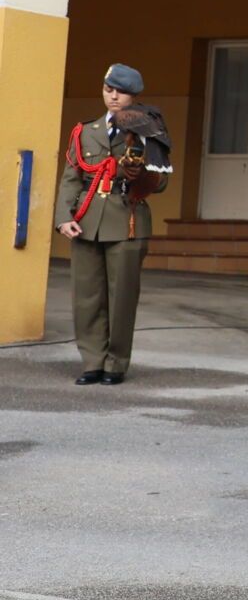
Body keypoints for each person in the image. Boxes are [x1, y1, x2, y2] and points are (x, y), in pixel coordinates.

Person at [57, 63, 171, 386]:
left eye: (120, 91)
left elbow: (161, 183)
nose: (113, 96)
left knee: (120, 298)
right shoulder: (86, 131)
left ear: (134, 96)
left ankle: (115, 363)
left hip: (127, 219)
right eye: (109, 89)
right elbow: (71, 178)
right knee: (87, 296)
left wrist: (143, 175)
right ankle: (92, 361)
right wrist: (64, 217)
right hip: (87, 220)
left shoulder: (148, 129)